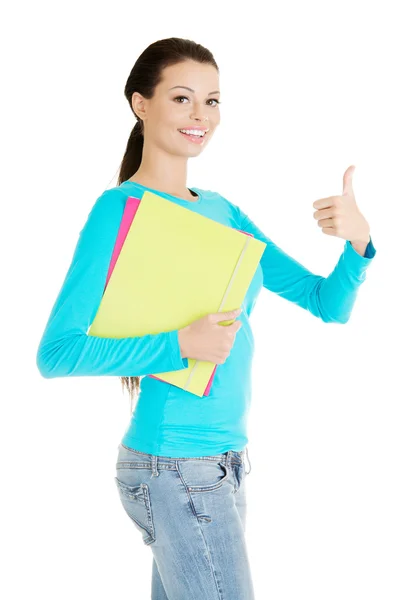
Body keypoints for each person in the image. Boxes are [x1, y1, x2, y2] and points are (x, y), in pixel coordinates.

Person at [36, 37, 376, 600]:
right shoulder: (118, 211)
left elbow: (325, 303)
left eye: (213, 101)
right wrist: (178, 343)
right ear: (141, 104)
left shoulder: (224, 211)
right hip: (175, 466)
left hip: (225, 463)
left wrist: (359, 243)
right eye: (183, 98)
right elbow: (58, 352)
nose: (201, 116)